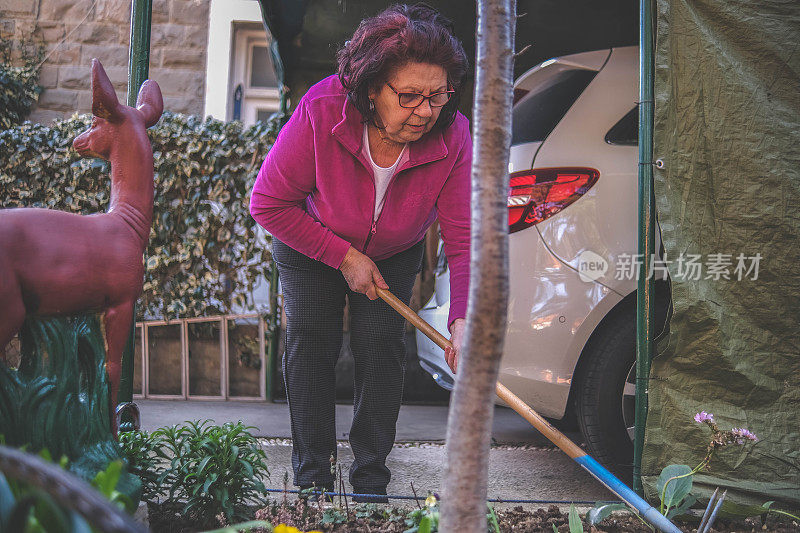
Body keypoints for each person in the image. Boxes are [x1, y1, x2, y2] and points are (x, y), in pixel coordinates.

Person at [249, 3, 470, 503]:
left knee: (383, 355)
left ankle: (370, 480)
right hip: (311, 237)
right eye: (409, 96)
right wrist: (344, 256)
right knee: (311, 349)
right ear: (373, 88)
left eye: (437, 96)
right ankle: (313, 480)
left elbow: (461, 234)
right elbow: (267, 202)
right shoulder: (322, 109)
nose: (425, 111)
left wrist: (461, 317)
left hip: (394, 249)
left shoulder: (453, 134)